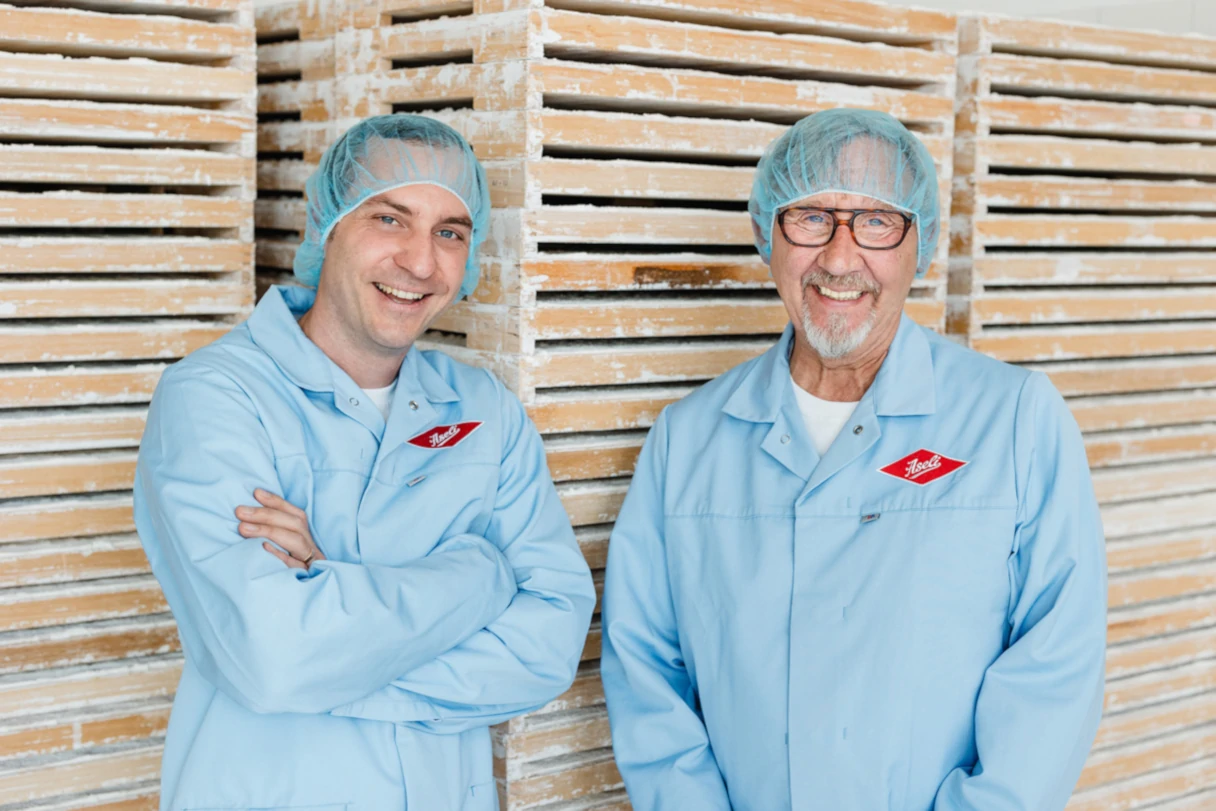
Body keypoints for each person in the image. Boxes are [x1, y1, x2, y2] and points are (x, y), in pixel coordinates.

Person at [600, 108, 1107, 811]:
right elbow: (644, 669)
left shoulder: (1013, 419)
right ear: (767, 235)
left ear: (918, 244)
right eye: (811, 217)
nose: (839, 258)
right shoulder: (687, 441)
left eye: (876, 221)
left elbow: (1057, 665)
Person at [134, 114, 595, 811]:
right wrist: (479, 573)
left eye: (450, 232)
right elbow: (276, 655)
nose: (420, 261)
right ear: (330, 226)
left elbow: (547, 644)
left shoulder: (483, 411)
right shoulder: (216, 397)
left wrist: (336, 621)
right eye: (390, 218)